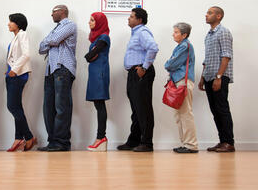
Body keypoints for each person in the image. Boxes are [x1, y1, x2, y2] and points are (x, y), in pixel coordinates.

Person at [118, 8, 158, 152]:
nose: (129, 19)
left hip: (141, 73)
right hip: (134, 73)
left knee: (143, 109)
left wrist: (144, 67)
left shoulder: (142, 32)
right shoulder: (135, 33)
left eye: (132, 16)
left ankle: (147, 143)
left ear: (139, 20)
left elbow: (153, 48)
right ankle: (134, 141)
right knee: (136, 109)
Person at [38, 5, 77, 152]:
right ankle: (53, 142)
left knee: (62, 107)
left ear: (62, 12)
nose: (51, 15)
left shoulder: (70, 25)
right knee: (48, 107)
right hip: (50, 70)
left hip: (63, 69)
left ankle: (62, 142)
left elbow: (53, 40)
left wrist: (50, 40)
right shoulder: (56, 29)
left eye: (53, 12)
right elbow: (41, 48)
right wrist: (50, 40)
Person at [198, 6, 235, 152]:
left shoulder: (224, 32)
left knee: (222, 109)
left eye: (210, 13)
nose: (206, 15)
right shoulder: (209, 35)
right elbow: (207, 59)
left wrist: (219, 77)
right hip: (209, 77)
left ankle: (229, 142)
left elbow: (226, 56)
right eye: (207, 12)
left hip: (219, 77)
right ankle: (222, 141)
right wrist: (202, 78)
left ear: (219, 16)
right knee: (215, 111)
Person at [164, 23, 198, 153]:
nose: (173, 34)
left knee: (185, 113)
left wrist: (169, 62)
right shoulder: (181, 46)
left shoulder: (185, 46)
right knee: (179, 115)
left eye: (176, 32)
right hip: (179, 82)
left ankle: (191, 145)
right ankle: (185, 143)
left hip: (183, 82)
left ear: (184, 35)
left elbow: (170, 64)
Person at [5, 13, 37, 152]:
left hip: (18, 75)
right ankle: (18, 138)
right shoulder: (15, 38)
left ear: (18, 23)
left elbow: (27, 54)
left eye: (11, 21)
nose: (8, 24)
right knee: (17, 106)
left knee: (12, 106)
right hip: (12, 75)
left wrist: (14, 69)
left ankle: (29, 137)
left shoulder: (22, 34)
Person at [85, 12, 111, 152]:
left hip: (100, 74)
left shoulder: (104, 37)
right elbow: (90, 56)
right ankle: (100, 138)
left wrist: (90, 56)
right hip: (95, 73)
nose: (89, 22)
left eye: (92, 20)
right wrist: (90, 56)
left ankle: (101, 138)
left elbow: (89, 56)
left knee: (100, 104)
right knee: (98, 104)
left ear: (100, 23)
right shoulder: (96, 39)